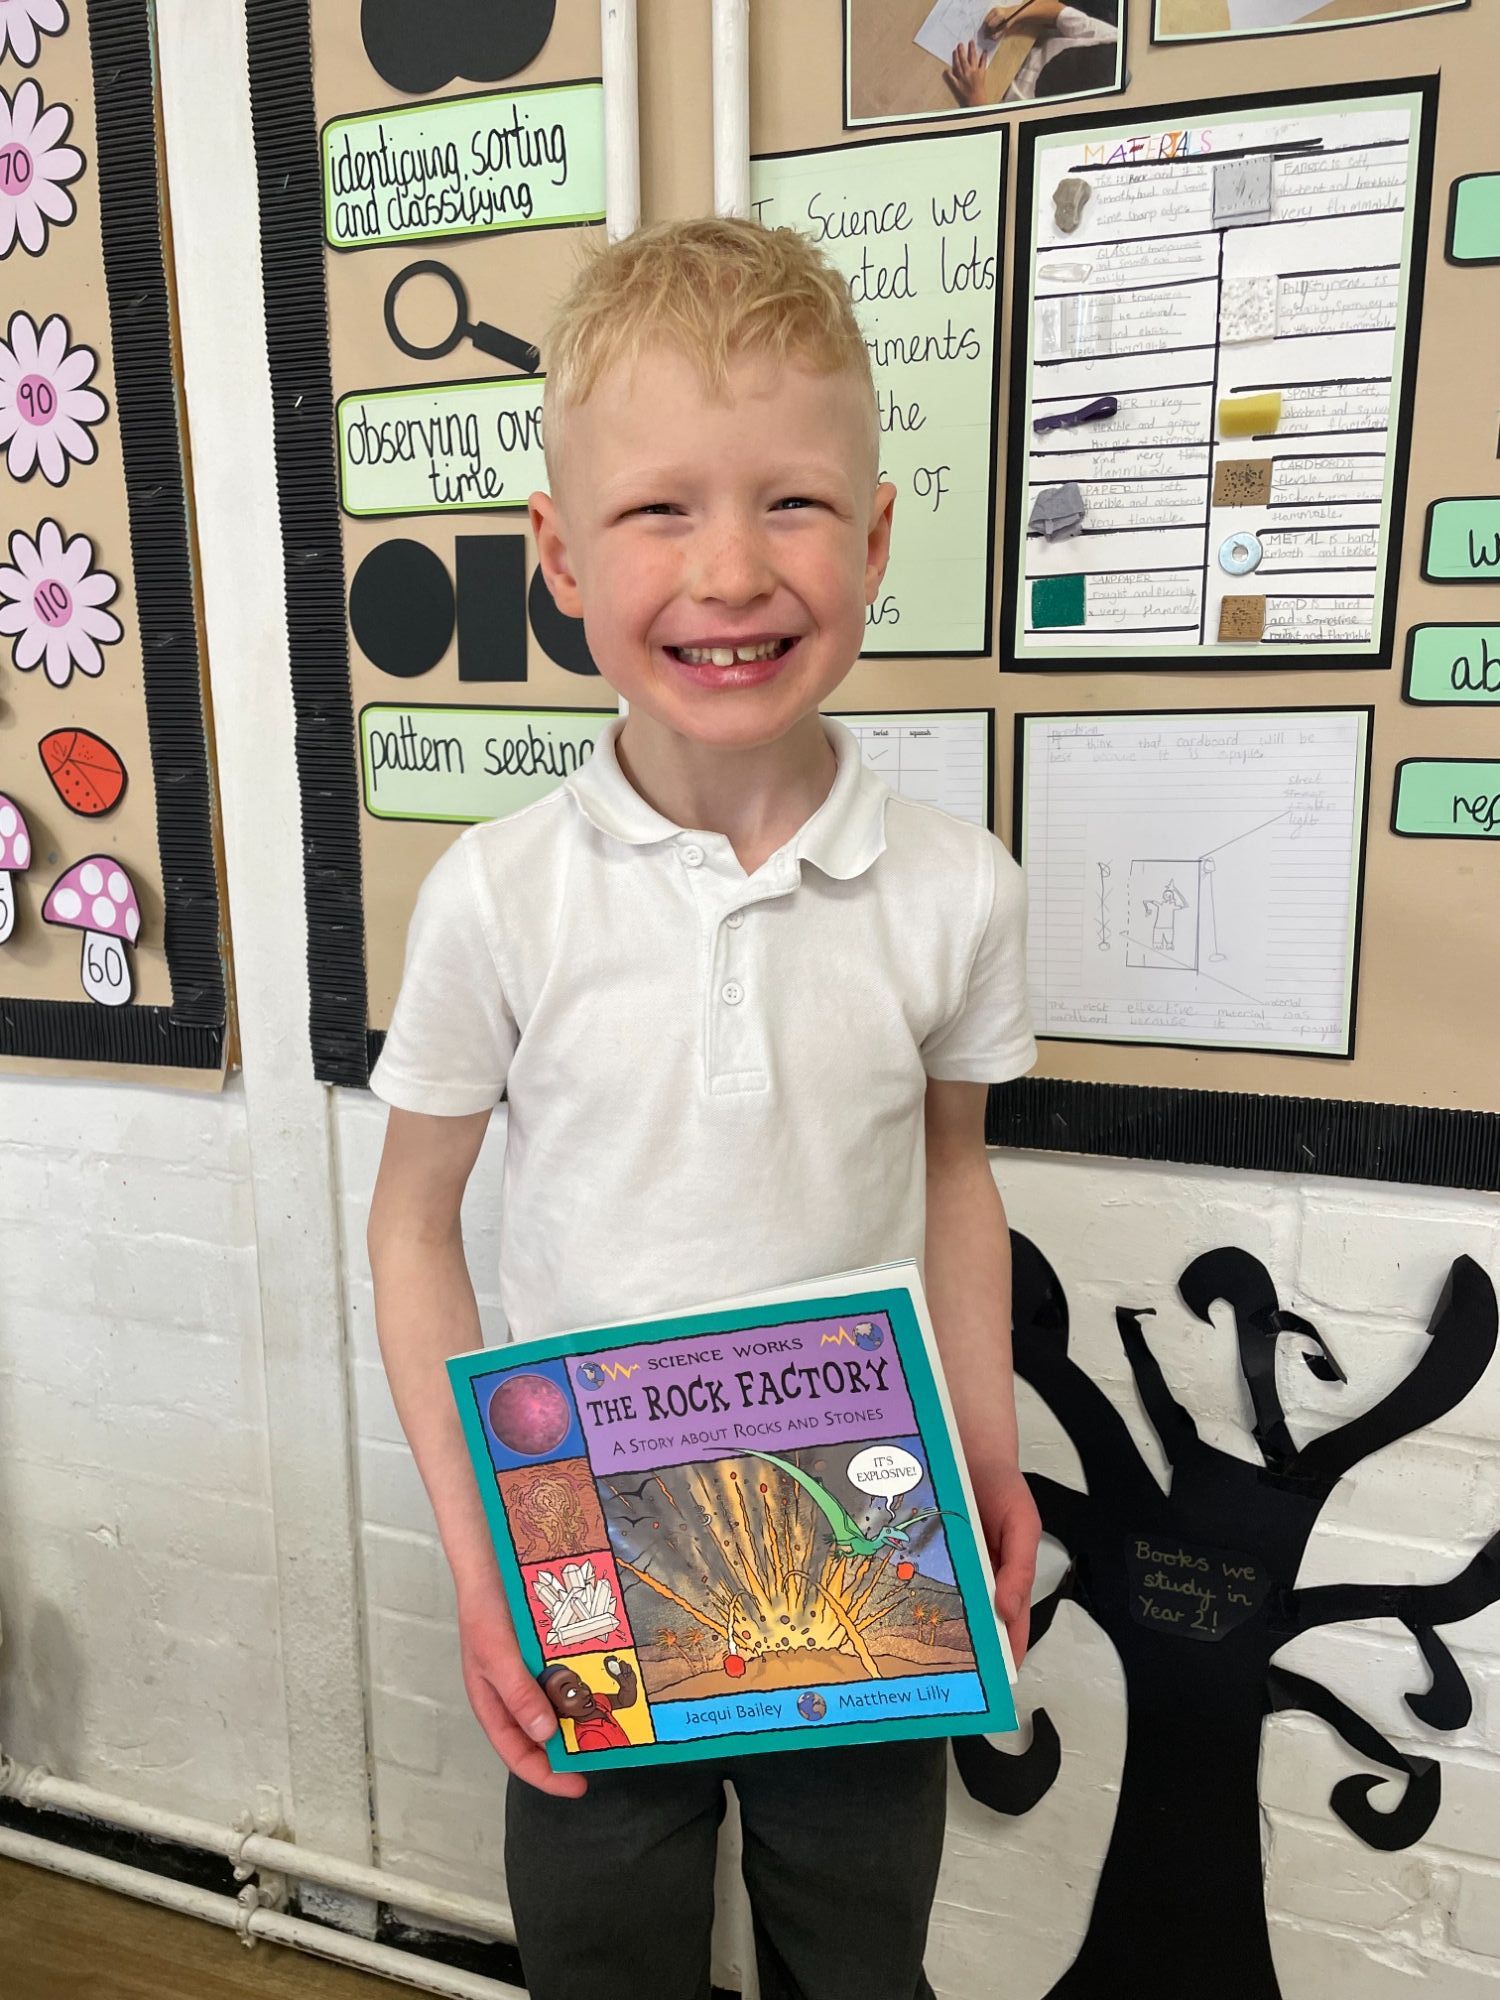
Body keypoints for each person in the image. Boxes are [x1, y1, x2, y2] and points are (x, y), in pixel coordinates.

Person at [366, 215, 1039, 2000]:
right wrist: (482, 1561)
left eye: (792, 503)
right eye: (660, 508)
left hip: (870, 1539)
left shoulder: (957, 888)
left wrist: (986, 1447)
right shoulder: (497, 896)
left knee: (860, 1967)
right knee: (602, 1967)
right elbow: (412, 1228)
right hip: (579, 1555)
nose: (730, 570)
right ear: (561, 556)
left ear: (873, 539)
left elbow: (955, 1177)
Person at [944, 0, 1120, 107]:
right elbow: (1058, 13)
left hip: (989, 101)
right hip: (1010, 48)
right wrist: (1013, 14)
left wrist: (976, 100)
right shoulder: (1116, 44)